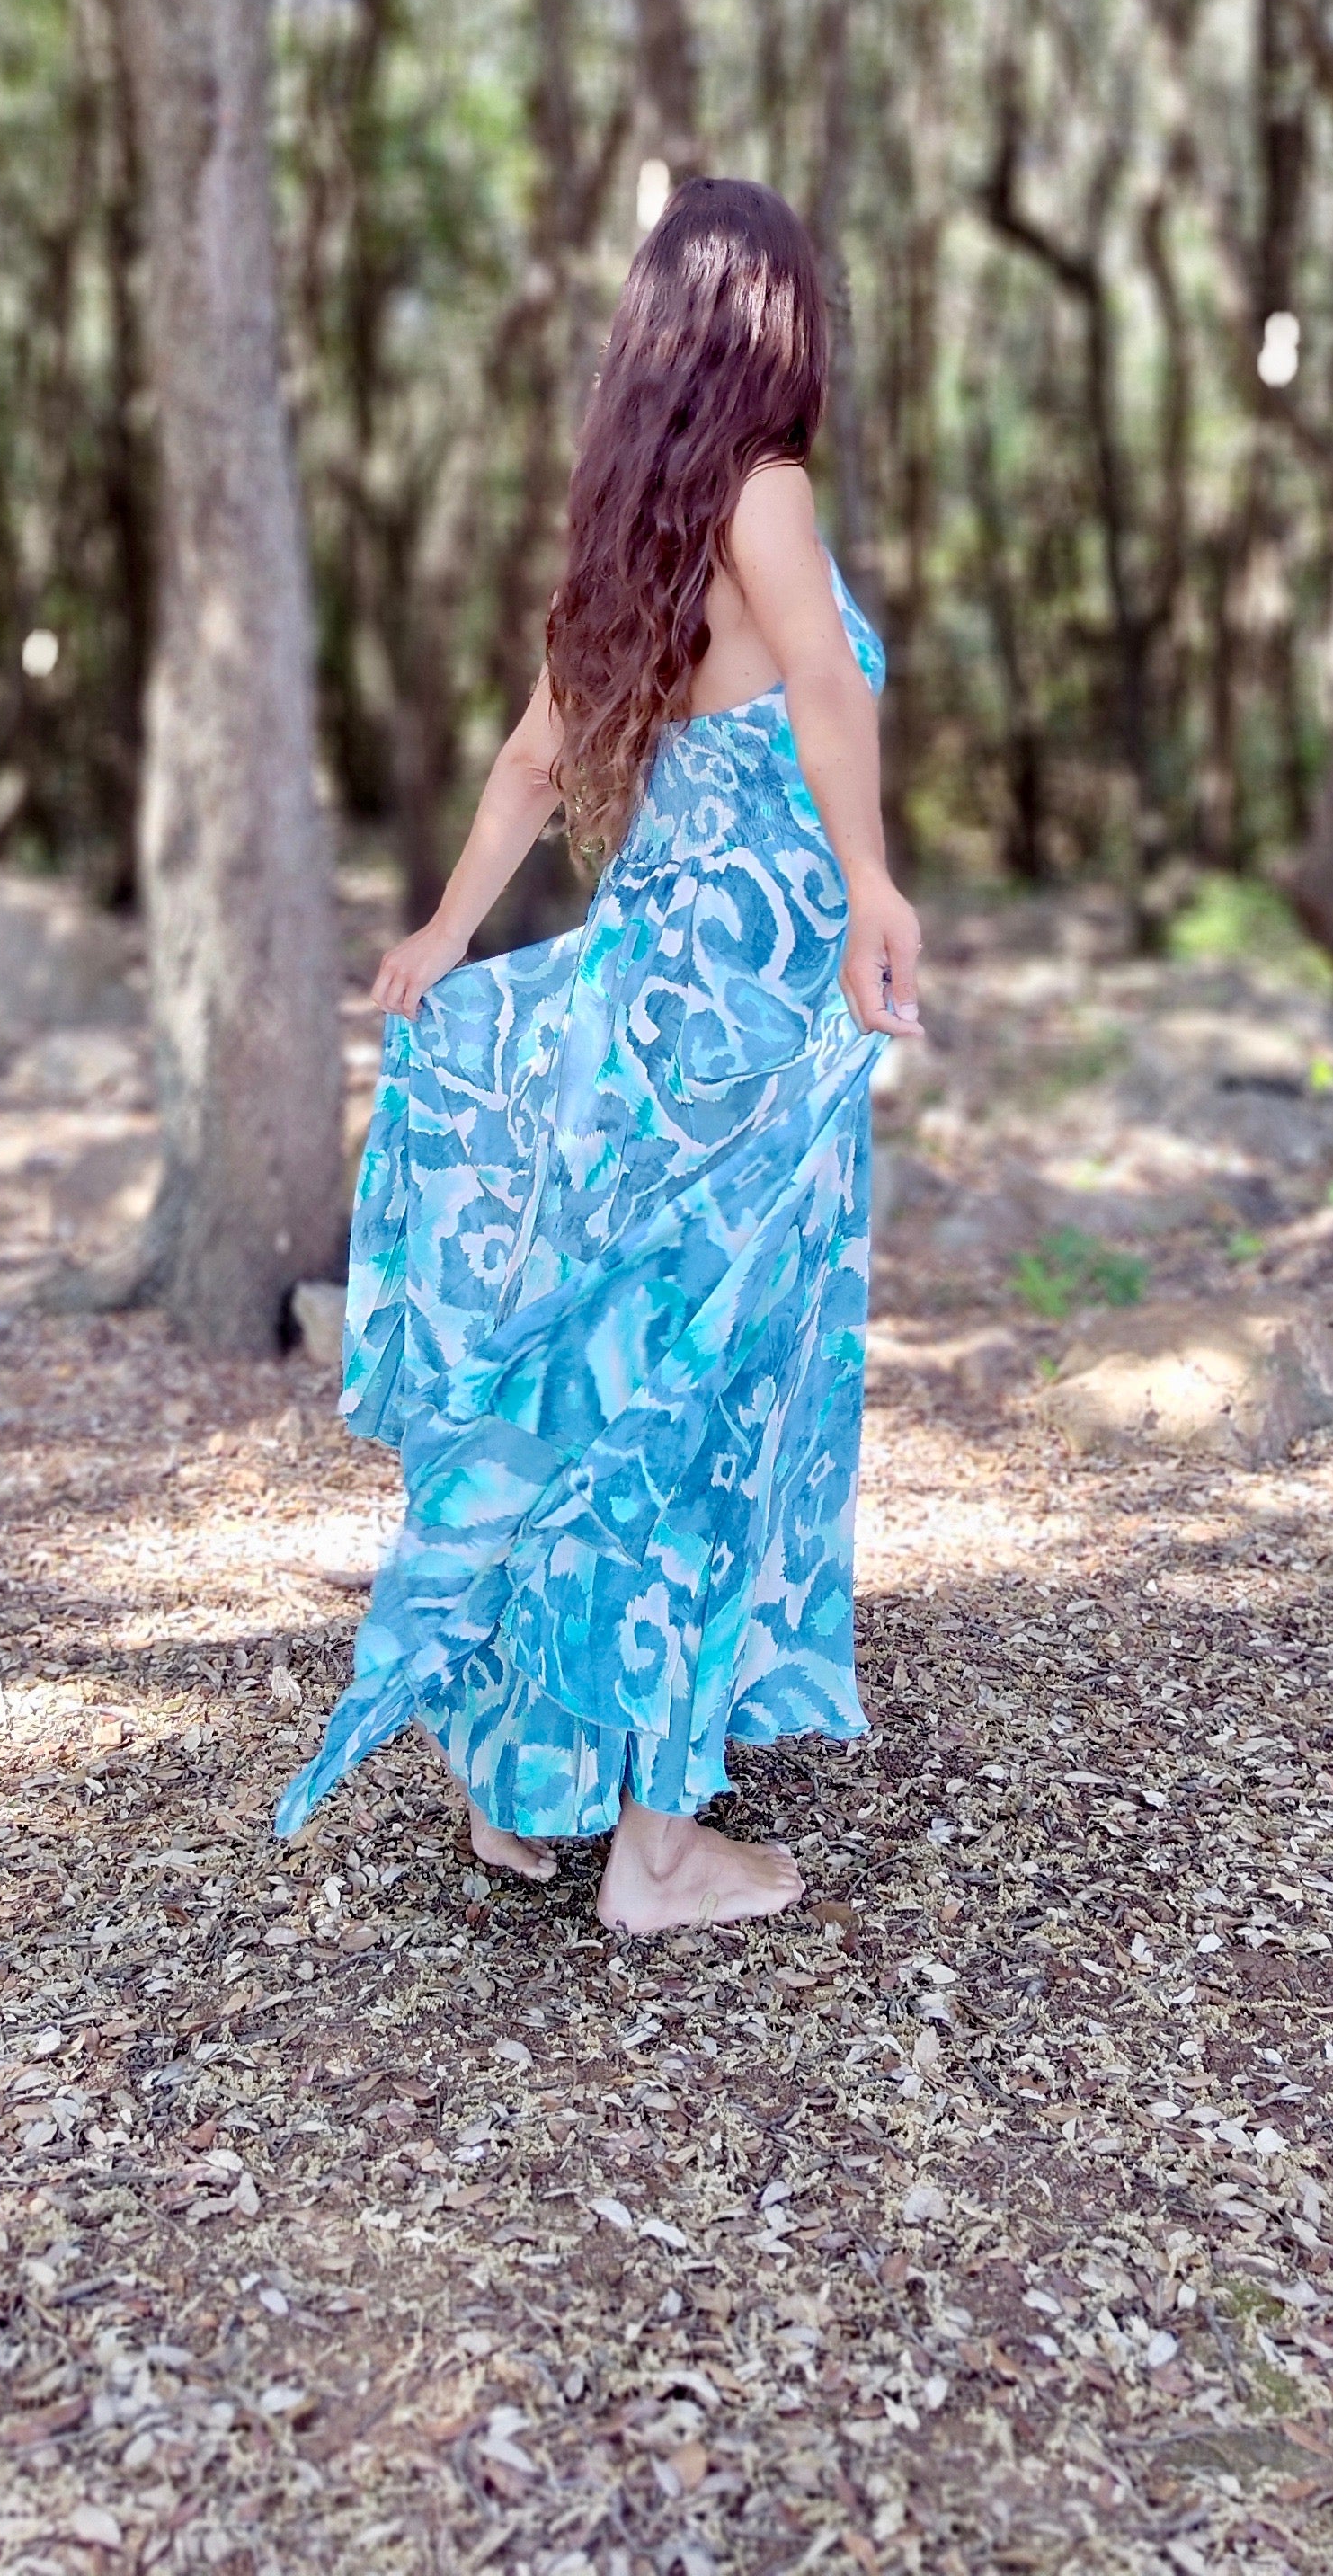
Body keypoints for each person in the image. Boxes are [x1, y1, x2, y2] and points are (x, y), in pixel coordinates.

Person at [275, 177, 921, 1933]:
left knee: (592, 1377)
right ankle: (653, 1839)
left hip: (648, 1004)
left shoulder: (641, 533)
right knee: (696, 1395)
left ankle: (517, 1786)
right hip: (739, 1023)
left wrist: (445, 932)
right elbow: (826, 689)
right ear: (775, 326)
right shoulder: (766, 496)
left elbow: (528, 767)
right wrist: (872, 883)